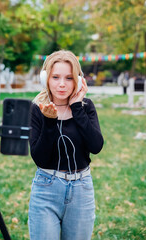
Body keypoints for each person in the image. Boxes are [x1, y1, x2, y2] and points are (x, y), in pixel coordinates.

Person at [28, 50, 104, 240]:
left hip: (81, 189)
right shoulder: (37, 108)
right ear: (45, 78)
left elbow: (96, 146)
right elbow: (40, 158)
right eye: (55, 77)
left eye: (69, 78)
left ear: (78, 80)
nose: (62, 84)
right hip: (46, 188)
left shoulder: (86, 107)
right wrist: (50, 120)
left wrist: (77, 107)